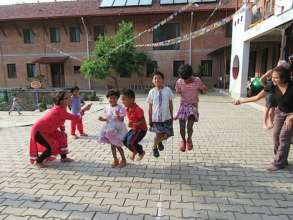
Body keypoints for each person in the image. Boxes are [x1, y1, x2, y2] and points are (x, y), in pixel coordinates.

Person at [235, 66, 293, 171]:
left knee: (284, 137)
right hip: (280, 112)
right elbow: (257, 97)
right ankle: (281, 158)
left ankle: (278, 163)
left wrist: (291, 117)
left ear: (284, 78)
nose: (273, 79)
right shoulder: (272, 85)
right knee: (275, 135)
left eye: (276, 78)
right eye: (273, 77)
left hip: (291, 114)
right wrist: (241, 101)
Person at [29, 90, 92, 168]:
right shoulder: (59, 110)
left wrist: (62, 129)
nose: (70, 98)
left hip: (48, 130)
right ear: (61, 101)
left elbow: (60, 120)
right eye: (67, 98)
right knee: (52, 146)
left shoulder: (62, 108)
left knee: (62, 136)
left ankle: (64, 158)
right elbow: (74, 118)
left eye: (70, 97)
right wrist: (84, 110)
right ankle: (38, 161)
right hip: (39, 131)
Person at [175, 64, 208, 152]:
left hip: (193, 106)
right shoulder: (179, 81)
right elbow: (178, 92)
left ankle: (189, 139)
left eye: (187, 79)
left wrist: (203, 90)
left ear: (191, 75)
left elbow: (204, 90)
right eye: (184, 79)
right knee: (182, 126)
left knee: (189, 126)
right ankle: (183, 140)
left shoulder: (197, 80)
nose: (185, 81)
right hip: (183, 106)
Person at [147, 71, 174, 158]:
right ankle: (155, 147)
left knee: (168, 134)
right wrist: (150, 119)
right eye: (155, 78)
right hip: (156, 119)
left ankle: (159, 142)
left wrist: (172, 116)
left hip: (167, 118)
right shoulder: (151, 92)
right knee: (158, 135)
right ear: (152, 81)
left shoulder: (168, 90)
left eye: (159, 78)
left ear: (163, 80)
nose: (157, 80)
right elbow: (150, 107)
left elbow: (170, 104)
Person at [98, 90, 127, 168]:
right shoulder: (107, 107)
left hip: (117, 129)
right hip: (109, 129)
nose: (112, 100)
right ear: (108, 99)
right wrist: (102, 119)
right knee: (112, 145)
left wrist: (118, 116)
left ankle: (123, 160)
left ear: (117, 99)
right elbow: (107, 119)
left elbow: (121, 120)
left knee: (117, 145)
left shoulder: (120, 107)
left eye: (114, 98)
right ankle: (115, 159)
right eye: (110, 98)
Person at [121, 89, 147, 161]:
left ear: (131, 99)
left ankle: (140, 152)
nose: (122, 101)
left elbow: (142, 121)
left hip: (141, 130)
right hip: (135, 129)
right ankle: (134, 151)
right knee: (124, 141)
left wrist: (133, 124)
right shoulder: (128, 109)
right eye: (122, 99)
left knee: (130, 143)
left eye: (124, 99)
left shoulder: (138, 109)